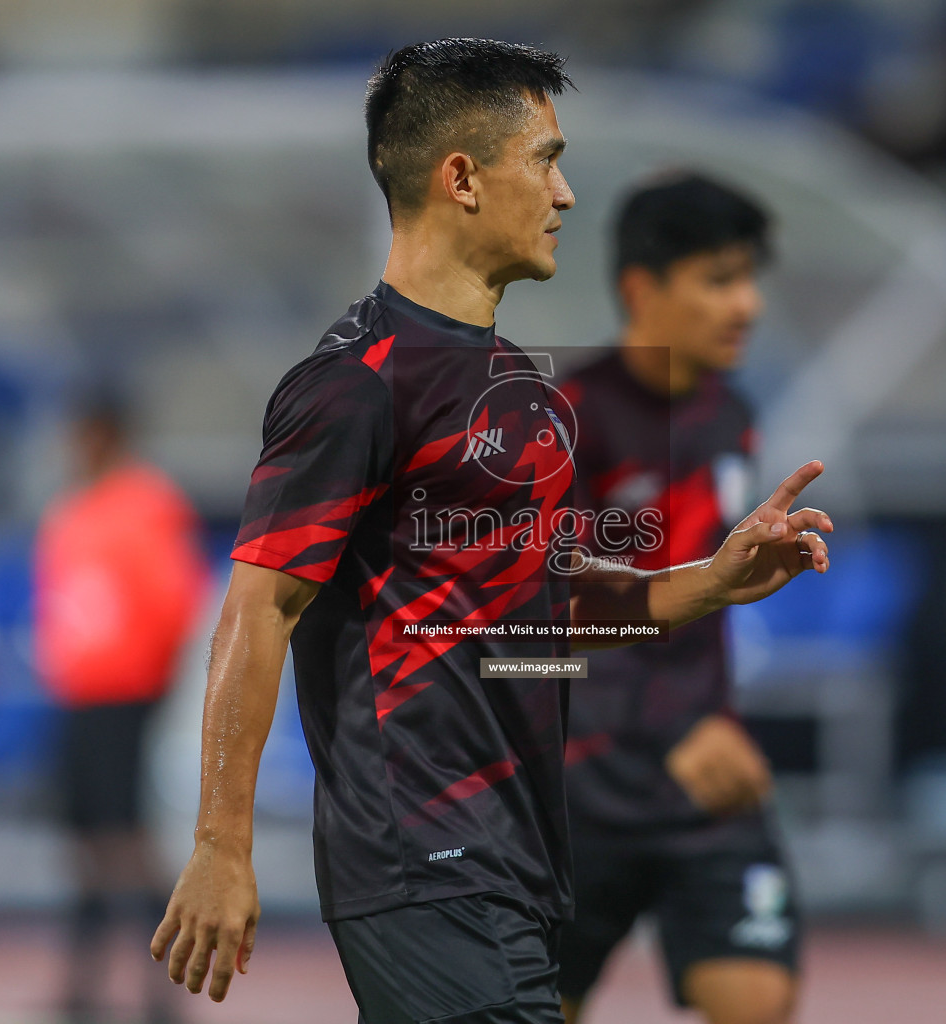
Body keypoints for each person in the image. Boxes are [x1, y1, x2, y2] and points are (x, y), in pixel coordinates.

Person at [148, 38, 833, 1024]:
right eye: (546, 160)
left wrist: (707, 581)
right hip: (418, 854)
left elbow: (537, 607)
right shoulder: (356, 381)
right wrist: (221, 845)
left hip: (515, 855)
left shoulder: (525, 396)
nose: (563, 196)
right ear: (461, 177)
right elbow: (257, 611)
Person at [556, 174, 799, 1024]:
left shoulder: (731, 412)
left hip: (705, 787)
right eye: (720, 279)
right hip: (579, 792)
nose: (749, 304)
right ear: (640, 290)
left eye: (750, 278)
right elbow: (548, 623)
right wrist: (667, 728)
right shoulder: (566, 422)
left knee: (759, 1001)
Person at [33, 394, 208, 1024]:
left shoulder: (147, 505)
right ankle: (84, 984)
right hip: (78, 695)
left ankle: (160, 984)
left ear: (105, 433)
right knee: (87, 840)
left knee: (122, 840)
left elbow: (174, 601)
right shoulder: (72, 510)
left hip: (123, 693)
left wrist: (146, 677)